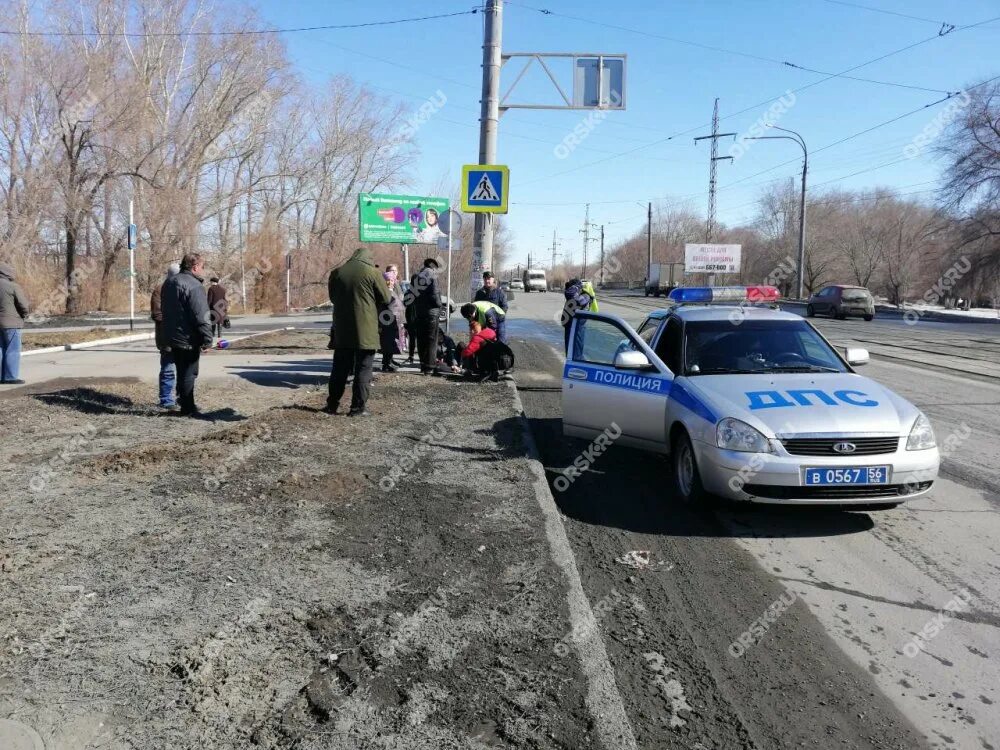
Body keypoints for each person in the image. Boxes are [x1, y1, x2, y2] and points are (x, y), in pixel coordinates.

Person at [327, 247, 391, 415]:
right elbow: (386, 298)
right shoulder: (373, 273)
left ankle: (332, 405)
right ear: (368, 259)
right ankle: (357, 408)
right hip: (366, 331)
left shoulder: (337, 272)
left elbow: (333, 298)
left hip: (341, 329)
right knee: (363, 369)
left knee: (339, 369)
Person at [161, 253, 214, 416]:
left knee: (181, 370)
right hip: (188, 337)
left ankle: (184, 403)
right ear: (195, 267)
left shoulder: (168, 283)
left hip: (172, 336)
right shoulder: (194, 286)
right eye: (202, 267)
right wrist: (207, 339)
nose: (203, 270)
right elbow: (201, 315)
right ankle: (188, 408)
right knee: (189, 373)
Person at [150, 263, 180, 410]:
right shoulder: (159, 290)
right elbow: (157, 314)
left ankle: (183, 399)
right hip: (167, 337)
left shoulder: (183, 287)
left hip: (183, 338)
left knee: (184, 371)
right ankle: (166, 400)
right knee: (168, 369)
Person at [410, 258, 442, 375]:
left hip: (419, 313)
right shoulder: (432, 276)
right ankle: (429, 367)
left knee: (421, 339)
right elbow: (435, 296)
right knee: (431, 340)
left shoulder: (415, 277)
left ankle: (423, 364)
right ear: (433, 267)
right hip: (431, 314)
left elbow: (412, 295)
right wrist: (439, 305)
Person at [0, 261, 29, 385]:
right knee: (12, 349)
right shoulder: (12, 286)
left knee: (0, 349)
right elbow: (23, 305)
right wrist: (24, 315)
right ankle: (10, 377)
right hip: (11, 323)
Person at [378, 264, 407, 372]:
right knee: (388, 340)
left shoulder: (396, 283)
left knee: (393, 339)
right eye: (391, 271)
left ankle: (390, 359)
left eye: (395, 271)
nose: (393, 273)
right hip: (388, 316)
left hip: (396, 315)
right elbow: (387, 300)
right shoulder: (387, 283)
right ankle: (386, 363)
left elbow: (399, 299)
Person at [562, 278, 597, 354]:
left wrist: (576, 287)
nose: (569, 289)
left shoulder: (585, 296)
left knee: (576, 355)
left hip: (576, 331)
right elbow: (569, 294)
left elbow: (572, 296)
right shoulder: (576, 295)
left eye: (571, 287)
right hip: (570, 329)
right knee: (569, 354)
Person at [474, 271, 509, 343]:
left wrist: (497, 318)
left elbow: (504, 307)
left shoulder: (499, 292)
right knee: (482, 342)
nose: (487, 281)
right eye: (485, 279)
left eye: (489, 279)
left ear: (493, 280)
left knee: (501, 341)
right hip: (484, 322)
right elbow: (475, 307)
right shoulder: (479, 293)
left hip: (499, 321)